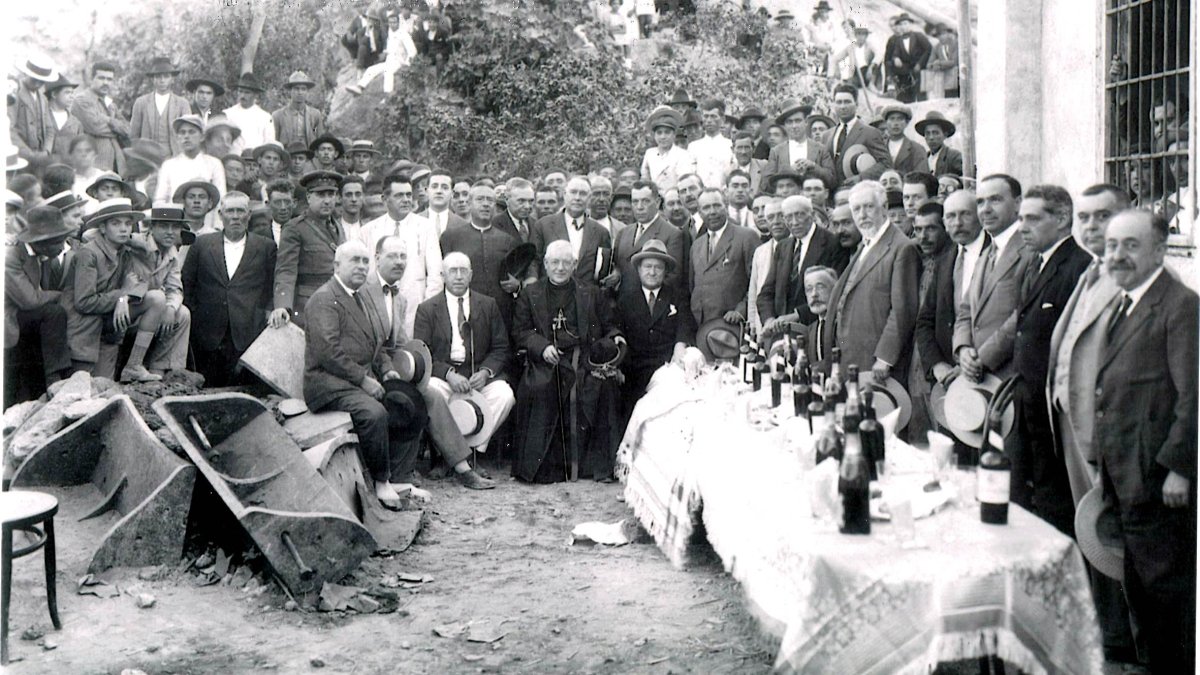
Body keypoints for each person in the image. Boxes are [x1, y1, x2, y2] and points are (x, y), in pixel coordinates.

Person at [1094, 210, 1197, 673]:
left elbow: (1194, 395)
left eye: (1131, 246)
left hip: (1159, 480)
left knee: (1166, 601)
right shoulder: (1124, 302)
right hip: (1127, 475)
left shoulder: (1179, 306)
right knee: (1140, 593)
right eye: (1113, 245)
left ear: (1159, 250)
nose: (1118, 255)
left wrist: (1181, 467)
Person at [1046, 184, 1140, 666]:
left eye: (1102, 217)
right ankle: (1101, 627)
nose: (1090, 227)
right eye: (1082, 218)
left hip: (1104, 432)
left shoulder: (1133, 281)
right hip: (1070, 421)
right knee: (1090, 531)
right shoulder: (1089, 272)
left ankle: (1124, 640)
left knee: (1114, 538)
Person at [362, 237, 497, 488]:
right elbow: (368, 345)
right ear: (377, 258)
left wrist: (407, 369)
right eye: (393, 256)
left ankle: (462, 467)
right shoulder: (363, 291)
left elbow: (402, 344)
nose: (400, 262)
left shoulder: (399, 299)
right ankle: (403, 472)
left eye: (404, 257)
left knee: (430, 394)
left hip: (389, 370)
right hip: (367, 371)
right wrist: (390, 370)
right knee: (410, 397)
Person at [1000, 185, 1092, 535]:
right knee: (1029, 504)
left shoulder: (1078, 268)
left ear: (1062, 219)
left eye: (1032, 219)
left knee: (1056, 507)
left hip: (1054, 416)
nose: (1023, 226)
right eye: (1021, 218)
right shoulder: (1038, 263)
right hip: (1028, 405)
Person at [511, 240, 625, 483]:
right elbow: (520, 331)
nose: (560, 268)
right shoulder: (530, 293)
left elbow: (609, 325)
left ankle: (595, 468)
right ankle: (544, 469)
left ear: (574, 264)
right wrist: (541, 347)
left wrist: (615, 338)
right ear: (545, 264)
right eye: (554, 262)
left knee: (602, 387)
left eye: (566, 262)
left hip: (582, 359)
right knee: (539, 389)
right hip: (546, 362)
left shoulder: (591, 292)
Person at [63, 198, 185, 382]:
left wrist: (124, 298)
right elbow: (84, 302)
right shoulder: (88, 254)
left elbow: (138, 284)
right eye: (116, 223)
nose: (123, 229)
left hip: (110, 325)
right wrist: (121, 295)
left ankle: (134, 365)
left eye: (128, 224)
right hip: (85, 328)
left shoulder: (124, 252)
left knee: (157, 298)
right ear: (103, 228)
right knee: (84, 390)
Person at [414, 252, 516, 454]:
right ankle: (451, 454)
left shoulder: (488, 305)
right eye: (453, 271)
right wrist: (448, 375)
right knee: (431, 390)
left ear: (471, 275)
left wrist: (486, 372)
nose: (459, 276)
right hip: (445, 379)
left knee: (505, 395)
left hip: (478, 377)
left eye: (463, 271)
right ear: (443, 275)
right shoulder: (427, 309)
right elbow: (422, 353)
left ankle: (473, 452)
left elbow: (501, 347)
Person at [822, 180, 920, 386]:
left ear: (884, 207)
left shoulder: (901, 247)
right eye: (856, 209)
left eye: (868, 207)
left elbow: (903, 310)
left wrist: (885, 358)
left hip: (877, 364)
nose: (862, 215)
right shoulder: (866, 244)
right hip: (851, 356)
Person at [182, 193, 275, 387]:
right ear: (220, 214)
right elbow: (187, 284)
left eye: (240, 211)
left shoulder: (266, 247)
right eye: (230, 211)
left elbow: (270, 287)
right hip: (207, 336)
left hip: (247, 333)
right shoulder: (201, 244)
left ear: (248, 215)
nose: (235, 216)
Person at [953, 174, 1033, 381]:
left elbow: (1024, 315)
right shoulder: (988, 252)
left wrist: (983, 357)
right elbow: (966, 310)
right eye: (980, 202)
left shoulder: (1030, 251)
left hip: (1012, 376)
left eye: (995, 200)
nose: (985, 209)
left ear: (1018, 204)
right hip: (979, 377)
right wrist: (962, 349)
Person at [612, 239, 693, 422]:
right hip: (634, 371)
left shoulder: (676, 296)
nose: (652, 272)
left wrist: (680, 347)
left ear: (665, 271)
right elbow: (617, 332)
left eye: (658, 267)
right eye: (647, 266)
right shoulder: (626, 300)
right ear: (639, 269)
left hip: (665, 367)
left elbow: (684, 324)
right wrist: (618, 366)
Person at [915, 189, 987, 389]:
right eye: (951, 216)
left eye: (965, 214)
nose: (958, 223)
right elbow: (925, 320)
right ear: (945, 224)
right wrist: (938, 365)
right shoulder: (945, 260)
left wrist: (968, 362)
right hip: (947, 378)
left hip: (984, 369)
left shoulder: (994, 254)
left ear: (979, 216)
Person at [4, 205, 73, 405]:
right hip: (10, 321)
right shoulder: (11, 258)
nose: (62, 247)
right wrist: (58, 295)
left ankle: (51, 378)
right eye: (58, 242)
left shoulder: (42, 257)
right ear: (41, 242)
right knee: (54, 312)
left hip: (25, 320)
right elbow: (30, 300)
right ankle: (54, 376)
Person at [360, 174, 444, 336]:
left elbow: (435, 275)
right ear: (385, 199)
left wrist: (426, 309)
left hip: (416, 306)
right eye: (399, 195)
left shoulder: (425, 228)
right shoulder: (369, 231)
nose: (406, 199)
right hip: (378, 307)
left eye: (408, 195)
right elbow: (366, 274)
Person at [756, 195, 847, 339]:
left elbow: (836, 291)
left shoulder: (832, 243)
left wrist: (796, 316)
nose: (794, 222)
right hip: (782, 333)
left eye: (799, 215)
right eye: (788, 217)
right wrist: (769, 321)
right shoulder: (783, 247)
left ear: (811, 215)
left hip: (816, 329)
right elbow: (766, 293)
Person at [270, 171, 346, 328]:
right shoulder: (295, 228)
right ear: (309, 197)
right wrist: (282, 305)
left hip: (338, 302)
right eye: (320, 195)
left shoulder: (338, 226)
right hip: (309, 304)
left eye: (331, 194)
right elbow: (286, 270)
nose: (327, 201)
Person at [442, 184, 521, 329]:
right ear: (469, 203)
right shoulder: (451, 237)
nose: (485, 204)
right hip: (464, 311)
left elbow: (516, 276)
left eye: (490, 200)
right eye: (480, 199)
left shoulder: (507, 240)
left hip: (501, 313)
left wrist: (516, 285)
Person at [134, 202, 194, 377]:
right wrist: (130, 239)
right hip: (128, 307)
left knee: (182, 313)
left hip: (153, 308)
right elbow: (88, 235)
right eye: (163, 226)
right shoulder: (136, 243)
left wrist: (170, 308)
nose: (170, 232)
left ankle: (159, 370)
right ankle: (134, 364)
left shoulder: (172, 253)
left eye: (175, 227)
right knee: (157, 297)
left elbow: (175, 288)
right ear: (151, 227)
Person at [689, 188, 759, 328]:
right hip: (702, 327)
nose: (712, 211)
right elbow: (693, 286)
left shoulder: (746, 237)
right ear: (700, 212)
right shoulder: (697, 245)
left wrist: (741, 311)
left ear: (726, 206)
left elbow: (758, 282)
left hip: (732, 325)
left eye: (717, 205)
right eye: (706, 207)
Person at [530, 177, 613, 289]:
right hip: (550, 294)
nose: (577, 198)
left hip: (586, 298)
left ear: (589, 198)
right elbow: (535, 261)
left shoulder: (600, 232)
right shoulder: (543, 225)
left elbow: (603, 270)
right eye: (573, 192)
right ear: (564, 195)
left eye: (583, 194)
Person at [612, 181, 685, 298]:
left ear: (657, 202)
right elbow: (618, 266)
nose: (639, 207)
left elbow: (673, 277)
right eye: (635, 202)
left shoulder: (672, 234)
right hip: (623, 306)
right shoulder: (624, 232)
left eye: (645, 201)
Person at [153, 115, 227, 229]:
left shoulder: (214, 164)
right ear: (177, 138)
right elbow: (160, 200)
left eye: (192, 132)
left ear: (202, 136)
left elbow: (221, 200)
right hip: (176, 227)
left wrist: (218, 227)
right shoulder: (169, 165)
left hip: (207, 227)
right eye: (182, 133)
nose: (186, 136)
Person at [826, 84, 891, 188]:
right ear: (834, 105)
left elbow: (885, 164)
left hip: (859, 192)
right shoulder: (827, 135)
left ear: (856, 104)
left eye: (847, 102)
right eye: (839, 102)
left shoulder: (870, 132)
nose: (843, 106)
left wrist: (861, 177)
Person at [70, 61, 131, 173]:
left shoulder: (111, 104)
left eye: (109, 79)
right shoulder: (81, 100)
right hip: (94, 164)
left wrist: (107, 119)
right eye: (101, 78)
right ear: (91, 79)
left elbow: (128, 129)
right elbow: (95, 126)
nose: (105, 83)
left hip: (116, 163)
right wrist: (116, 125)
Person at [763, 100, 835, 189]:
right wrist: (789, 171)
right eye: (789, 122)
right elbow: (765, 184)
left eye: (798, 121)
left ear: (806, 122)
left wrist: (813, 166)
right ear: (784, 126)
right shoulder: (776, 151)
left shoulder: (821, 149)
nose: (794, 126)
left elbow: (832, 181)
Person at [129, 57, 191, 156]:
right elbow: (134, 135)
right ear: (153, 79)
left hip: (174, 158)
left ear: (172, 79)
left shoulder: (182, 104)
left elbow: (188, 135)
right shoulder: (141, 103)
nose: (162, 80)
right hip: (148, 159)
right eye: (158, 76)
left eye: (166, 76)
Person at [347, 9, 416, 95]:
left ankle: (388, 95)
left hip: (399, 61)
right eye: (390, 22)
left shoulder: (404, 34)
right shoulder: (390, 33)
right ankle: (360, 87)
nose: (392, 25)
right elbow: (389, 48)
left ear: (398, 23)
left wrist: (407, 64)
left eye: (394, 22)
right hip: (389, 60)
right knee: (371, 69)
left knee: (388, 72)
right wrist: (385, 53)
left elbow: (412, 51)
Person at [746, 197, 786, 334]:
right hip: (763, 326)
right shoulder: (760, 251)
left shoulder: (797, 248)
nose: (776, 222)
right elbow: (754, 292)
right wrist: (752, 322)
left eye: (781, 216)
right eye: (770, 217)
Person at [10, 56, 57, 165]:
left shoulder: (43, 98)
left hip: (40, 159)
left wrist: (46, 150)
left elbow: (49, 128)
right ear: (26, 74)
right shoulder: (13, 93)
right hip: (19, 158)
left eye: (41, 81)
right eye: (34, 79)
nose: (37, 84)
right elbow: (9, 129)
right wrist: (28, 154)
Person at [640, 107, 696, 192]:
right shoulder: (650, 154)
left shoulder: (683, 155)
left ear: (674, 134)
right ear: (654, 135)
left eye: (667, 132)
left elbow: (684, 181)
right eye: (659, 133)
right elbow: (645, 179)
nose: (663, 137)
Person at [882, 13, 931, 103]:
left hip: (919, 68)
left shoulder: (918, 36)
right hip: (907, 69)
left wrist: (920, 64)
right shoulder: (899, 40)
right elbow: (895, 53)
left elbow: (928, 49)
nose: (903, 27)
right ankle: (904, 101)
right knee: (905, 90)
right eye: (901, 24)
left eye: (905, 24)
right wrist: (896, 58)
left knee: (920, 94)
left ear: (910, 24)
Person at [688, 99, 734, 190]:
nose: (709, 120)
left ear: (722, 119)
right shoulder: (694, 147)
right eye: (706, 116)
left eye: (713, 116)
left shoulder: (730, 145)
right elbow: (691, 175)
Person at [223, 73, 275, 154]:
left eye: (247, 92)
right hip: (233, 160)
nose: (242, 95)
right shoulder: (228, 114)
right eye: (240, 91)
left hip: (254, 161)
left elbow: (269, 143)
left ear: (255, 95)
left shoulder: (265, 117)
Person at [272, 71, 326, 148]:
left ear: (307, 92)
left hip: (308, 156)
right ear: (290, 91)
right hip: (287, 157)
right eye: (296, 89)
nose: (300, 92)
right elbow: (275, 142)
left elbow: (320, 141)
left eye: (303, 89)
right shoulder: (278, 115)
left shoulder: (315, 114)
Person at [800, 266, 838, 370]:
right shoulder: (811, 330)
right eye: (809, 289)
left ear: (835, 290)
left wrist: (814, 368)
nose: (814, 294)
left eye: (820, 287)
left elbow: (844, 359)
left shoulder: (844, 324)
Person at [880, 105, 927, 177]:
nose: (896, 123)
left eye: (900, 119)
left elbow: (922, 177)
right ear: (886, 122)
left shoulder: (916, 149)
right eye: (892, 119)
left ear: (906, 123)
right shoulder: (880, 147)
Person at [44, 75, 81, 162]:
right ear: (54, 94)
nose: (72, 96)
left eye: (72, 93)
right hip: (43, 169)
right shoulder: (42, 116)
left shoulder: (76, 122)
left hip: (67, 170)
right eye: (67, 92)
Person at [418, 170, 467, 236]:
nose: (439, 191)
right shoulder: (413, 222)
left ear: (452, 193)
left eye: (445, 188)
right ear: (427, 191)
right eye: (434, 187)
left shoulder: (463, 225)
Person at [915, 112, 964, 177]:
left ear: (945, 135)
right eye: (927, 133)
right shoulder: (923, 159)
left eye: (935, 133)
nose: (931, 137)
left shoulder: (953, 156)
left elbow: (965, 179)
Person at [492, 177, 534, 243]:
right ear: (507, 200)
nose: (527, 206)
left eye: (531, 201)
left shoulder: (536, 224)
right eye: (521, 201)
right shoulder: (494, 225)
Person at [338, 175, 367, 244]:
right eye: (348, 195)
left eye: (358, 194)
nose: (354, 199)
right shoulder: (333, 229)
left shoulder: (371, 228)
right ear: (339, 198)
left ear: (363, 197)